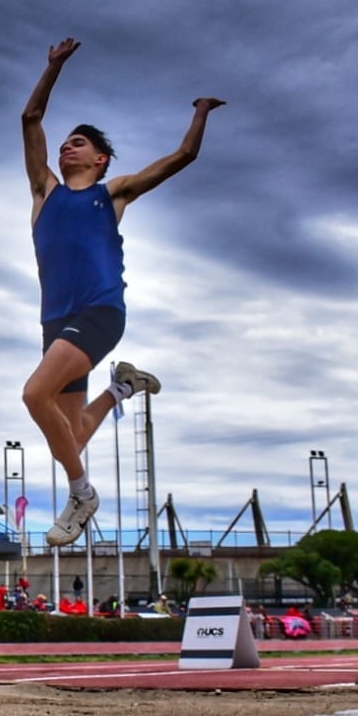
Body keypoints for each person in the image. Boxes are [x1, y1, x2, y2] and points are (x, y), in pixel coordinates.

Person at [20, 37, 225, 546]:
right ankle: (122, 387)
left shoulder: (114, 193)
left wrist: (200, 111)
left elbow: (184, 155)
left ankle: (82, 494)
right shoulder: (44, 192)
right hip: (56, 322)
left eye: (80, 142)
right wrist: (53, 69)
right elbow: (30, 120)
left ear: (102, 160)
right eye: (65, 141)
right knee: (70, 436)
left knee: (33, 394)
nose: (68, 145)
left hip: (99, 312)